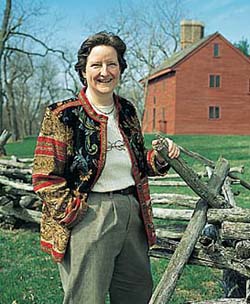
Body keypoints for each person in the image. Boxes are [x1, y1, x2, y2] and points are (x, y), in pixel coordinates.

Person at [32, 31, 180, 304]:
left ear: (120, 68)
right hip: (88, 214)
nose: (105, 72)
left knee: (136, 294)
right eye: (96, 65)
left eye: (111, 64)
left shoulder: (127, 110)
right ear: (83, 70)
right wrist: (75, 214)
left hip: (132, 212)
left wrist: (159, 158)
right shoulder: (63, 114)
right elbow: (44, 177)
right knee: (88, 298)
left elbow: (136, 161)